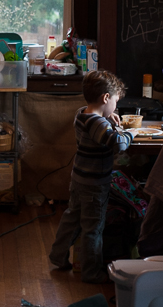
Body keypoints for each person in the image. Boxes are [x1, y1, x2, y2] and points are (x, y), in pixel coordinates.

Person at [49, 70, 133, 283]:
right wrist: (131, 133)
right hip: (95, 184)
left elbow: (98, 127)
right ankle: (91, 272)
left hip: (79, 179)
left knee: (72, 217)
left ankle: (57, 256)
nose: (116, 106)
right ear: (106, 98)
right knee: (93, 228)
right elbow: (119, 144)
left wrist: (107, 118)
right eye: (115, 101)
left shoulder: (82, 114)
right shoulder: (98, 124)